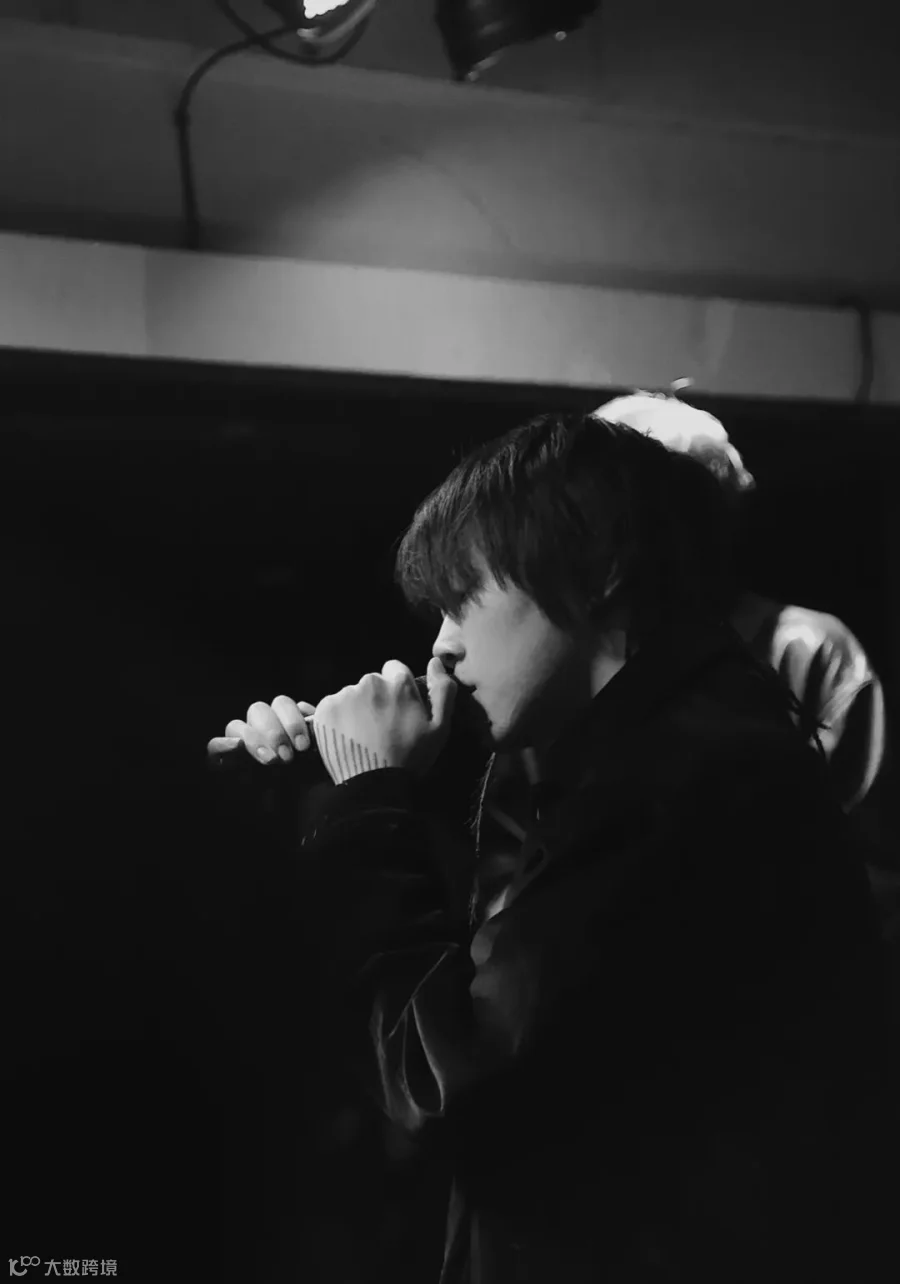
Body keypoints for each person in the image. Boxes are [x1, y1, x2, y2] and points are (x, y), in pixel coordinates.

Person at [209, 413, 895, 1282]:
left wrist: (367, 808)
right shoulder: (656, 754)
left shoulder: (678, 785)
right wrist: (330, 791)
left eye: (463, 594)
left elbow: (450, 1087)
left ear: (603, 569)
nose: (442, 641)